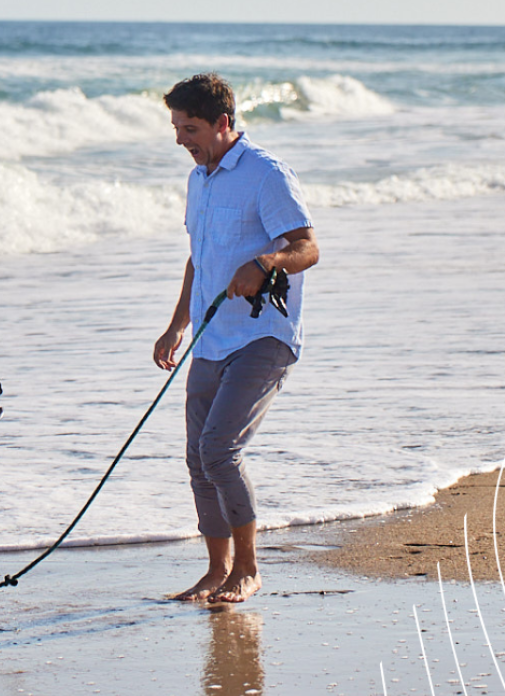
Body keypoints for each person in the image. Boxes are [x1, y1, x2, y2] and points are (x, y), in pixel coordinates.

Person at [152, 73, 319, 604]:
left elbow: (308, 248)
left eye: (191, 128)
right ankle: (215, 571)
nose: (182, 139)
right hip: (209, 338)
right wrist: (178, 323)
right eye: (177, 128)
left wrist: (266, 261)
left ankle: (248, 570)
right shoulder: (199, 179)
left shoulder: (266, 174)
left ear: (224, 123)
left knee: (219, 450)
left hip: (262, 335)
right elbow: (198, 258)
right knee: (198, 459)